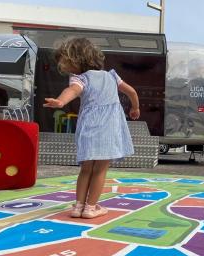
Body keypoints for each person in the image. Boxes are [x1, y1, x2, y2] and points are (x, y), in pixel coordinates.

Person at [43, 38, 140, 219]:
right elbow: (132, 92)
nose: (62, 66)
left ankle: (78, 206)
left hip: (89, 126)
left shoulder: (80, 78)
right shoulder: (112, 76)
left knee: (86, 168)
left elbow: (73, 90)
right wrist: (135, 108)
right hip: (108, 128)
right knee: (100, 169)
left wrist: (61, 101)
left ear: (78, 59)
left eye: (65, 61)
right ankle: (90, 207)